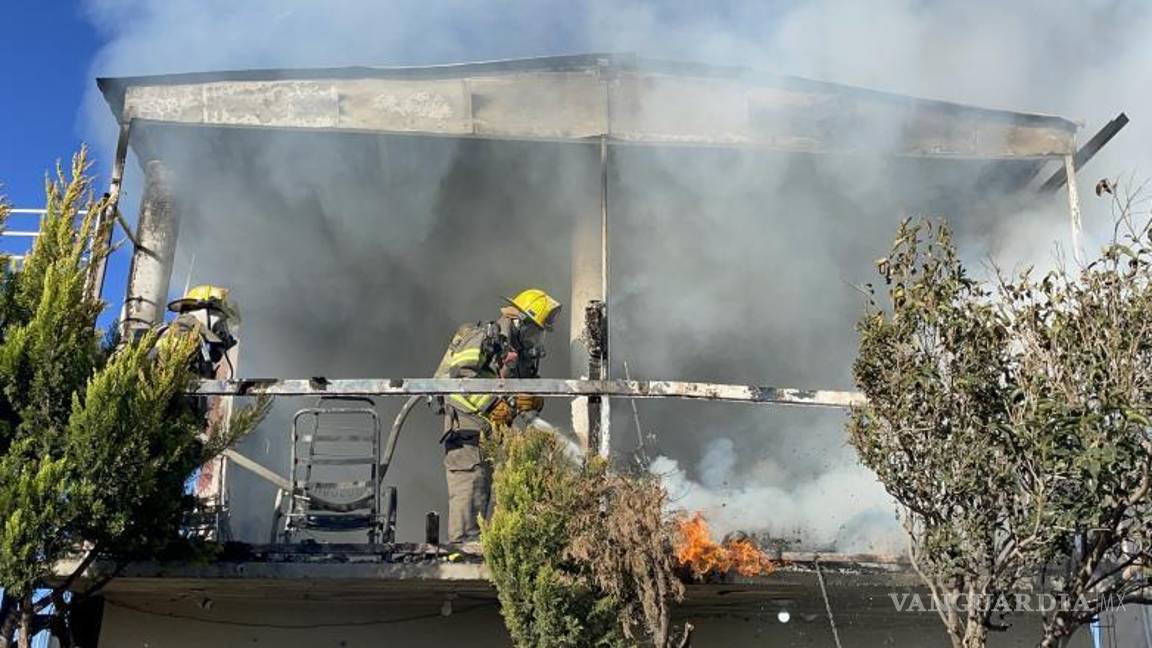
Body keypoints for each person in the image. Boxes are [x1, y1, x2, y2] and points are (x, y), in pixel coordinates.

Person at [433, 288, 561, 545]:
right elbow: (460, 379)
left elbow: (523, 393)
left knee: (505, 490)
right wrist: (491, 404)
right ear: (519, 322)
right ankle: (463, 550)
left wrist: (534, 400)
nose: (537, 339)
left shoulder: (519, 355)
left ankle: (498, 549)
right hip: (466, 432)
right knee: (471, 487)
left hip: (496, 435)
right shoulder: (482, 337)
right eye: (535, 331)